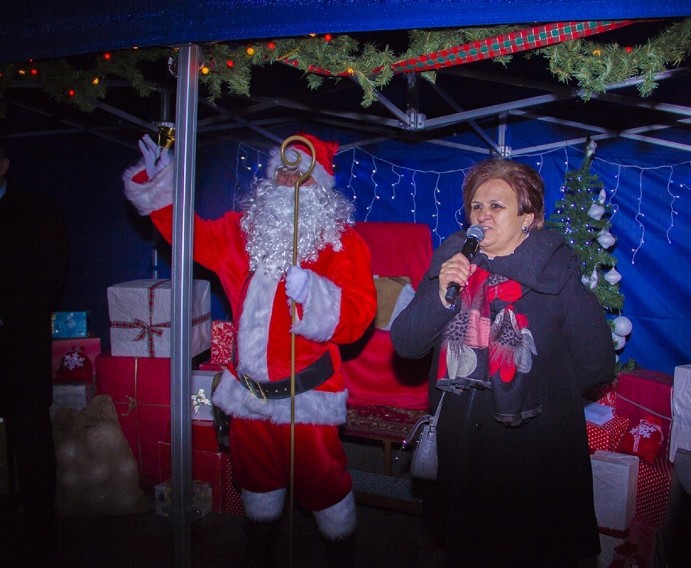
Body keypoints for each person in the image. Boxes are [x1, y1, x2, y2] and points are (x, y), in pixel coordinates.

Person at [123, 133, 376, 568]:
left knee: (322, 482)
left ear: (319, 183)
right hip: (249, 395)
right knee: (255, 479)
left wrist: (315, 293)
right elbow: (190, 236)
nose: (287, 177)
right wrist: (160, 185)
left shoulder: (342, 242)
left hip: (306, 397)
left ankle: (340, 552)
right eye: (281, 168)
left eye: (300, 172)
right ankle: (259, 549)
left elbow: (358, 317)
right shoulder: (239, 232)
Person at [390, 158, 615, 567]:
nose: (483, 215)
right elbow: (405, 345)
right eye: (477, 206)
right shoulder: (453, 263)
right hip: (461, 448)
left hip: (532, 449)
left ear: (527, 217)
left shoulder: (556, 274)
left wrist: (538, 390)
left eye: (497, 206)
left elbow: (596, 364)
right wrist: (442, 295)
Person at [0, 140, 69, 563]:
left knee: (30, 440)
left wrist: (9, 314)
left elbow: (52, 274)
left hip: (18, 345)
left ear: (4, 165)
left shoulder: (39, 211)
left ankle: (41, 532)